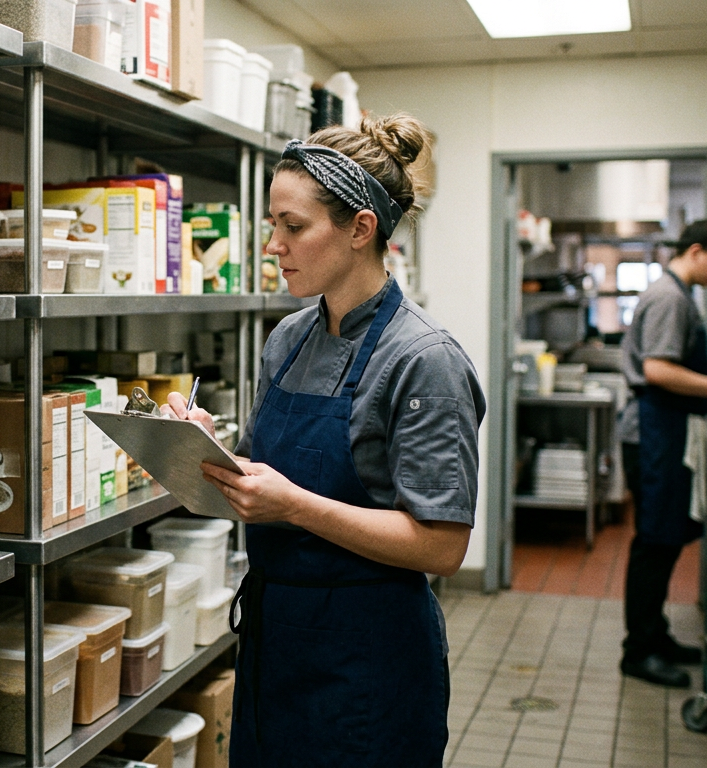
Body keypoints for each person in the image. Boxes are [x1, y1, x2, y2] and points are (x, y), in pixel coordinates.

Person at [161, 115, 485, 767]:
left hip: (368, 659)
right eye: (272, 225)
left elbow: (443, 545)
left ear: (361, 229)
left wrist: (295, 506)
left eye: (294, 226)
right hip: (276, 643)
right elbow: (261, 480)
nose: (273, 245)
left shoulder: (423, 360)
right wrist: (204, 453)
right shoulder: (286, 339)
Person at [619, 220, 707, 688]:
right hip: (655, 433)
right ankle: (639, 650)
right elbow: (658, 370)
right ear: (697, 251)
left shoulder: (674, 293)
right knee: (655, 542)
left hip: (662, 431)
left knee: (664, 540)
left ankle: (656, 635)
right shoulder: (670, 297)